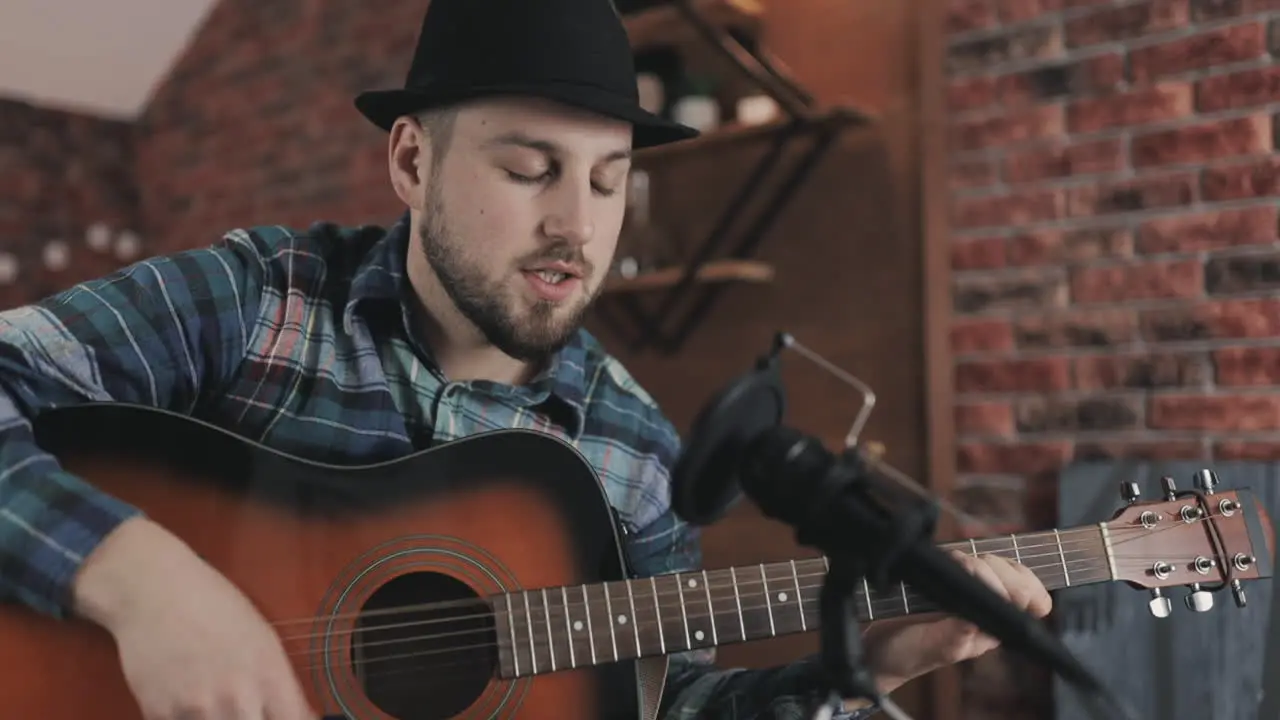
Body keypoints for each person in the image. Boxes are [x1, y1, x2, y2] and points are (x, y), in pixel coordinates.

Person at [0, 0, 1051, 718]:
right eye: (529, 168)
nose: (575, 227)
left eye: (605, 181)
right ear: (413, 160)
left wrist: (856, 666)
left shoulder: (633, 449)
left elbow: (661, 702)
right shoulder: (261, 302)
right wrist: (147, 585)